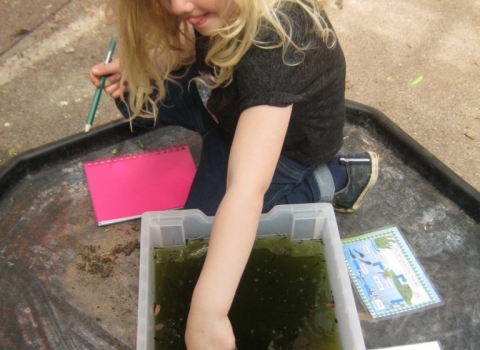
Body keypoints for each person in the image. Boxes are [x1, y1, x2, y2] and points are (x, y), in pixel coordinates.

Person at [90, 0, 378, 348]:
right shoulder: (213, 10)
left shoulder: (278, 43)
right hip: (223, 105)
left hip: (285, 148)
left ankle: (329, 178)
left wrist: (208, 311)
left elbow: (246, 188)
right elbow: (186, 46)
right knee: (133, 92)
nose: (179, 6)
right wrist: (144, 64)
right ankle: (224, 145)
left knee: (211, 231)